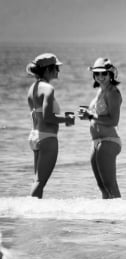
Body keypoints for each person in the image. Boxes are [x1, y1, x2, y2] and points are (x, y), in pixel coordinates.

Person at [26, 53, 75, 198]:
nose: (58, 71)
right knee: (40, 182)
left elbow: (38, 115)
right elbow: (48, 117)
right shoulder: (48, 88)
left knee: (37, 181)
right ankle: (31, 212)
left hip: (35, 136)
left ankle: (33, 213)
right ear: (48, 70)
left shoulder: (32, 88)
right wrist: (67, 119)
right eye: (56, 68)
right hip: (47, 138)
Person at [78, 58, 122, 199]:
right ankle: (106, 219)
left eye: (104, 74)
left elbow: (113, 121)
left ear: (111, 75)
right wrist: (87, 116)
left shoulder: (113, 92)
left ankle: (120, 217)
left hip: (108, 141)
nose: (100, 77)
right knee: (102, 188)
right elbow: (96, 115)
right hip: (96, 142)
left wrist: (91, 115)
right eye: (97, 74)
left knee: (111, 187)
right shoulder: (100, 92)